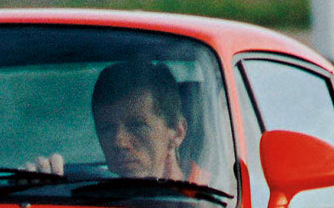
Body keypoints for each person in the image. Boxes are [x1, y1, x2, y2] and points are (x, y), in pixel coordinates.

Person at [23, 60, 205, 182]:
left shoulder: (220, 199)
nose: (119, 142)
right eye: (107, 129)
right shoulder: (90, 199)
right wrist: (39, 187)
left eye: (137, 126)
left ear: (177, 132)